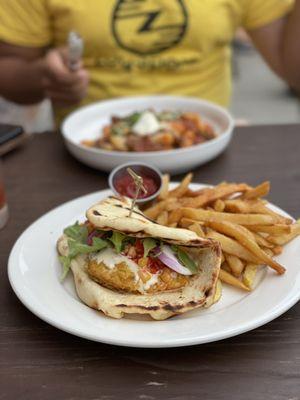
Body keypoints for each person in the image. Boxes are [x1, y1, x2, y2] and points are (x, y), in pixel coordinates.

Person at [0, 0, 298, 125]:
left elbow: (293, 70)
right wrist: (44, 76)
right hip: (86, 151)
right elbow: (9, 70)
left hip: (205, 141)